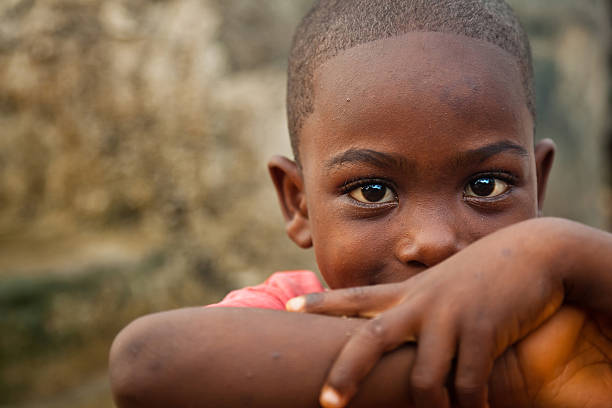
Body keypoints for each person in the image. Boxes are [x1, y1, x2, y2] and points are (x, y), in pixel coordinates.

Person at [109, 1, 612, 407]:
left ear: (538, 185)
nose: (434, 242)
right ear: (298, 204)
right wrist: (514, 377)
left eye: (486, 186)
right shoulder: (288, 316)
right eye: (373, 192)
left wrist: (558, 252)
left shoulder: (575, 325)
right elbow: (149, 362)